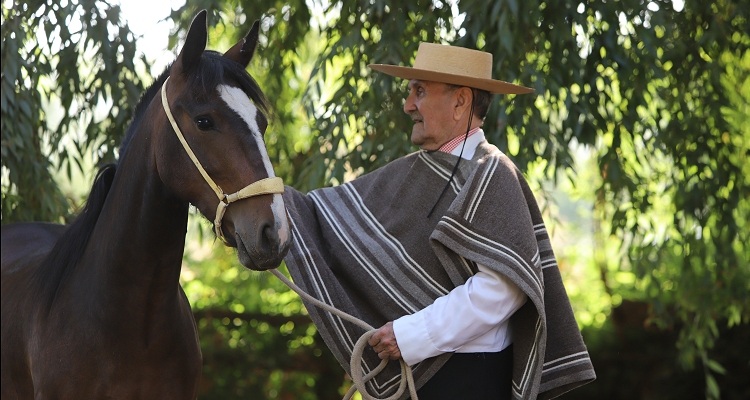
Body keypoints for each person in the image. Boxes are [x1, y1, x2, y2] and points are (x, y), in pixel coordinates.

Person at [282, 42, 595, 399]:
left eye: (420, 91)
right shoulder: (409, 171)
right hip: (415, 377)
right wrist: (264, 201)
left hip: (471, 382)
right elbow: (324, 218)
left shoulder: (493, 174)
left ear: (460, 101)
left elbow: (503, 290)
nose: (408, 105)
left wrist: (410, 334)